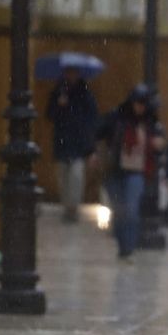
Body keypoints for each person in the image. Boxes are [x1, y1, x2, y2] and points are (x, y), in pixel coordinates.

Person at [94, 84, 163, 260]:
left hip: (137, 172)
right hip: (114, 170)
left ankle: (129, 247)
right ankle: (122, 244)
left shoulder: (150, 122)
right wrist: (93, 153)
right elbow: (98, 132)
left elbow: (159, 146)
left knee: (131, 209)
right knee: (118, 211)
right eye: (138, 103)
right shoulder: (116, 117)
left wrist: (158, 145)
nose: (140, 107)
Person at [46, 67, 99, 222]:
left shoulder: (85, 94)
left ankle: (73, 208)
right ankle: (67, 206)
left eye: (74, 72)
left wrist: (90, 147)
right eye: (69, 72)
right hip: (62, 140)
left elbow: (92, 118)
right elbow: (49, 114)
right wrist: (58, 105)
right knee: (63, 176)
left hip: (78, 141)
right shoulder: (58, 92)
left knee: (76, 176)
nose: (72, 75)